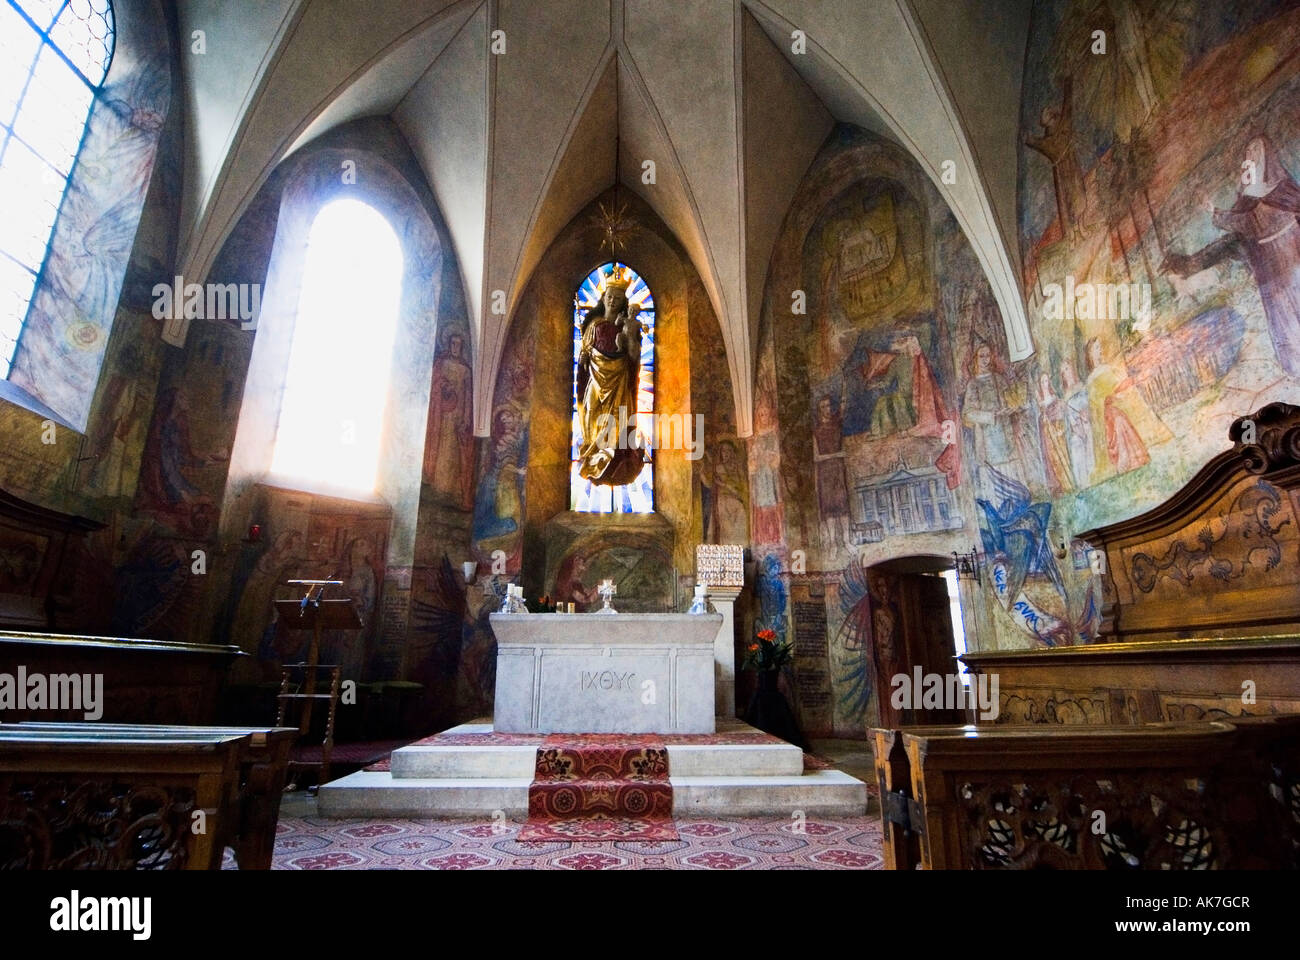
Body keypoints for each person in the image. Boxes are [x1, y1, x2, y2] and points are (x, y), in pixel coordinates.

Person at [1163, 136, 1300, 377]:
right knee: (1281, 312)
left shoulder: (1283, 187)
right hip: (1269, 264)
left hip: (1292, 253)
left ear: (1266, 156)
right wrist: (1215, 211)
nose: (1251, 156)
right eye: (1248, 153)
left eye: (1255, 151)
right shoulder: (1248, 198)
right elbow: (1242, 222)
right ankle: (1295, 362)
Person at [575, 273, 647, 486]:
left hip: (619, 382)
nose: (612, 300)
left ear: (623, 301)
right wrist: (584, 359)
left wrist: (631, 338)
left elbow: (633, 358)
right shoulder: (593, 325)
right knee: (592, 415)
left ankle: (617, 461)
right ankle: (593, 457)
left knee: (619, 420)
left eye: (617, 297)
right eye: (609, 296)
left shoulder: (626, 326)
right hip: (595, 382)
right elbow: (584, 357)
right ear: (604, 297)